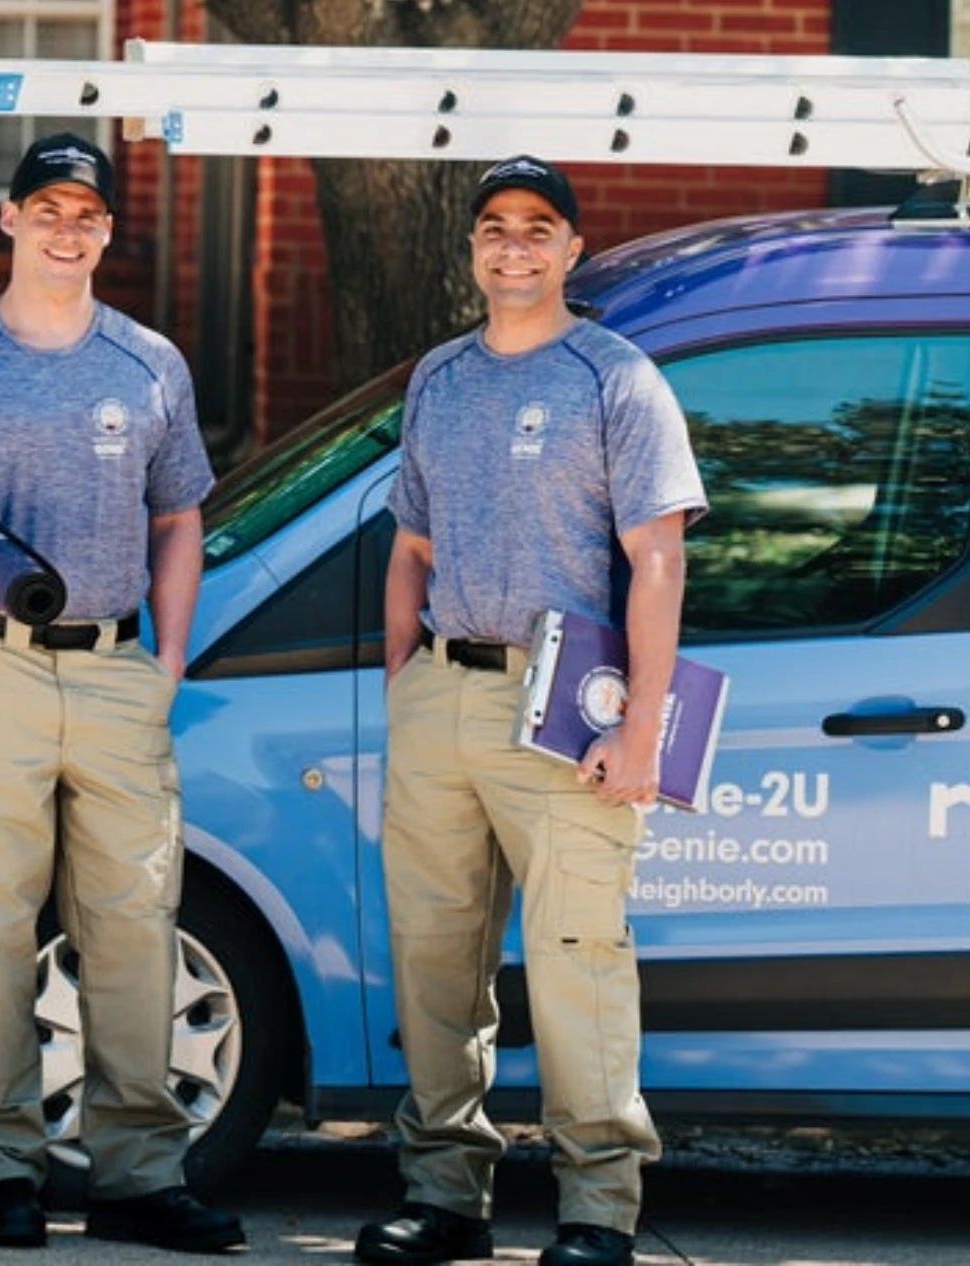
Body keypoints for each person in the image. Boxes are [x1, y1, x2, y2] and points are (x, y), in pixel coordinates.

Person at [0, 131, 242, 1255]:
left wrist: (164, 660)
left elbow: (180, 519)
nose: (68, 230)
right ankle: (3, 1167)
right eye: (47, 209)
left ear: (107, 231)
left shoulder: (150, 363)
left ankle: (138, 1174)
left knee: (133, 924)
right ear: (8, 220)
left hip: (118, 669)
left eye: (89, 214)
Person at [354, 155, 707, 1266]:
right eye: (494, 226)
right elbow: (410, 540)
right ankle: (445, 1196)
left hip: (567, 712)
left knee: (575, 960)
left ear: (572, 248)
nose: (514, 245)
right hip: (443, 701)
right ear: (472, 248)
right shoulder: (441, 379)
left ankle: (598, 1210)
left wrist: (639, 725)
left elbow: (657, 559)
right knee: (435, 958)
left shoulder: (616, 377)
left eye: (537, 227)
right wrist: (401, 668)